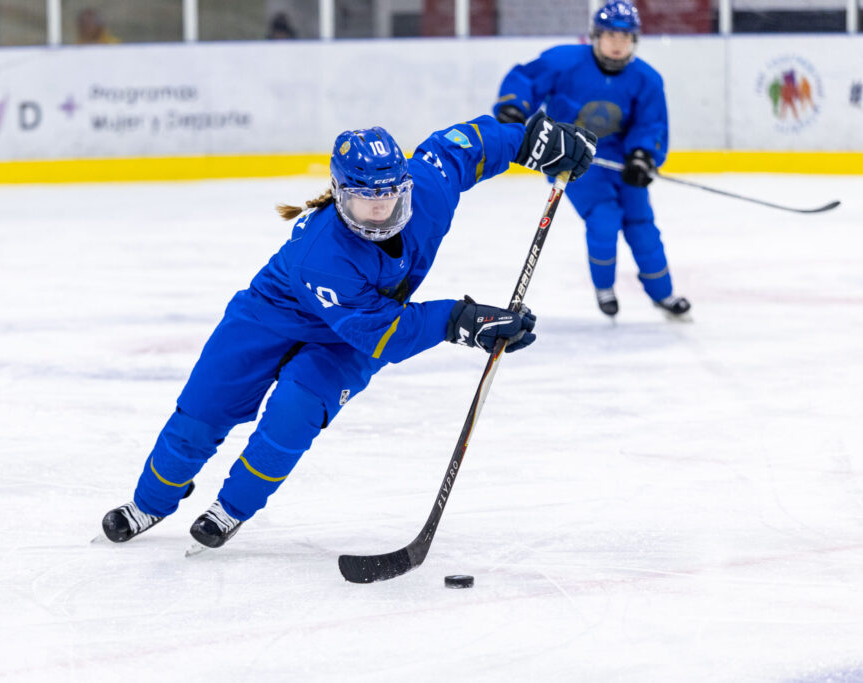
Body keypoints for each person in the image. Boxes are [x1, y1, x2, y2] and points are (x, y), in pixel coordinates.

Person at [102, 113, 596, 550]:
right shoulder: (326, 255)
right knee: (203, 413)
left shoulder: (428, 188)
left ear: (405, 184)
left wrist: (533, 139)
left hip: (345, 337)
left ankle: (231, 509)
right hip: (274, 315)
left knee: (293, 415)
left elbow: (465, 145)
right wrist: (459, 320)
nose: (379, 210)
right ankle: (151, 501)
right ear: (339, 194)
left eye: (388, 196)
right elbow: (386, 334)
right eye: (364, 200)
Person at [494, 0, 690, 318]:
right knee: (603, 219)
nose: (617, 43)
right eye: (610, 35)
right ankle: (604, 287)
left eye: (625, 37)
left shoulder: (647, 79)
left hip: (620, 161)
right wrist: (514, 107)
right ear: (595, 36)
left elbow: (651, 123)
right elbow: (525, 79)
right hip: (573, 159)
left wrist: (642, 156)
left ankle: (663, 294)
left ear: (634, 40)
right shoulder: (564, 61)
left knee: (642, 226)